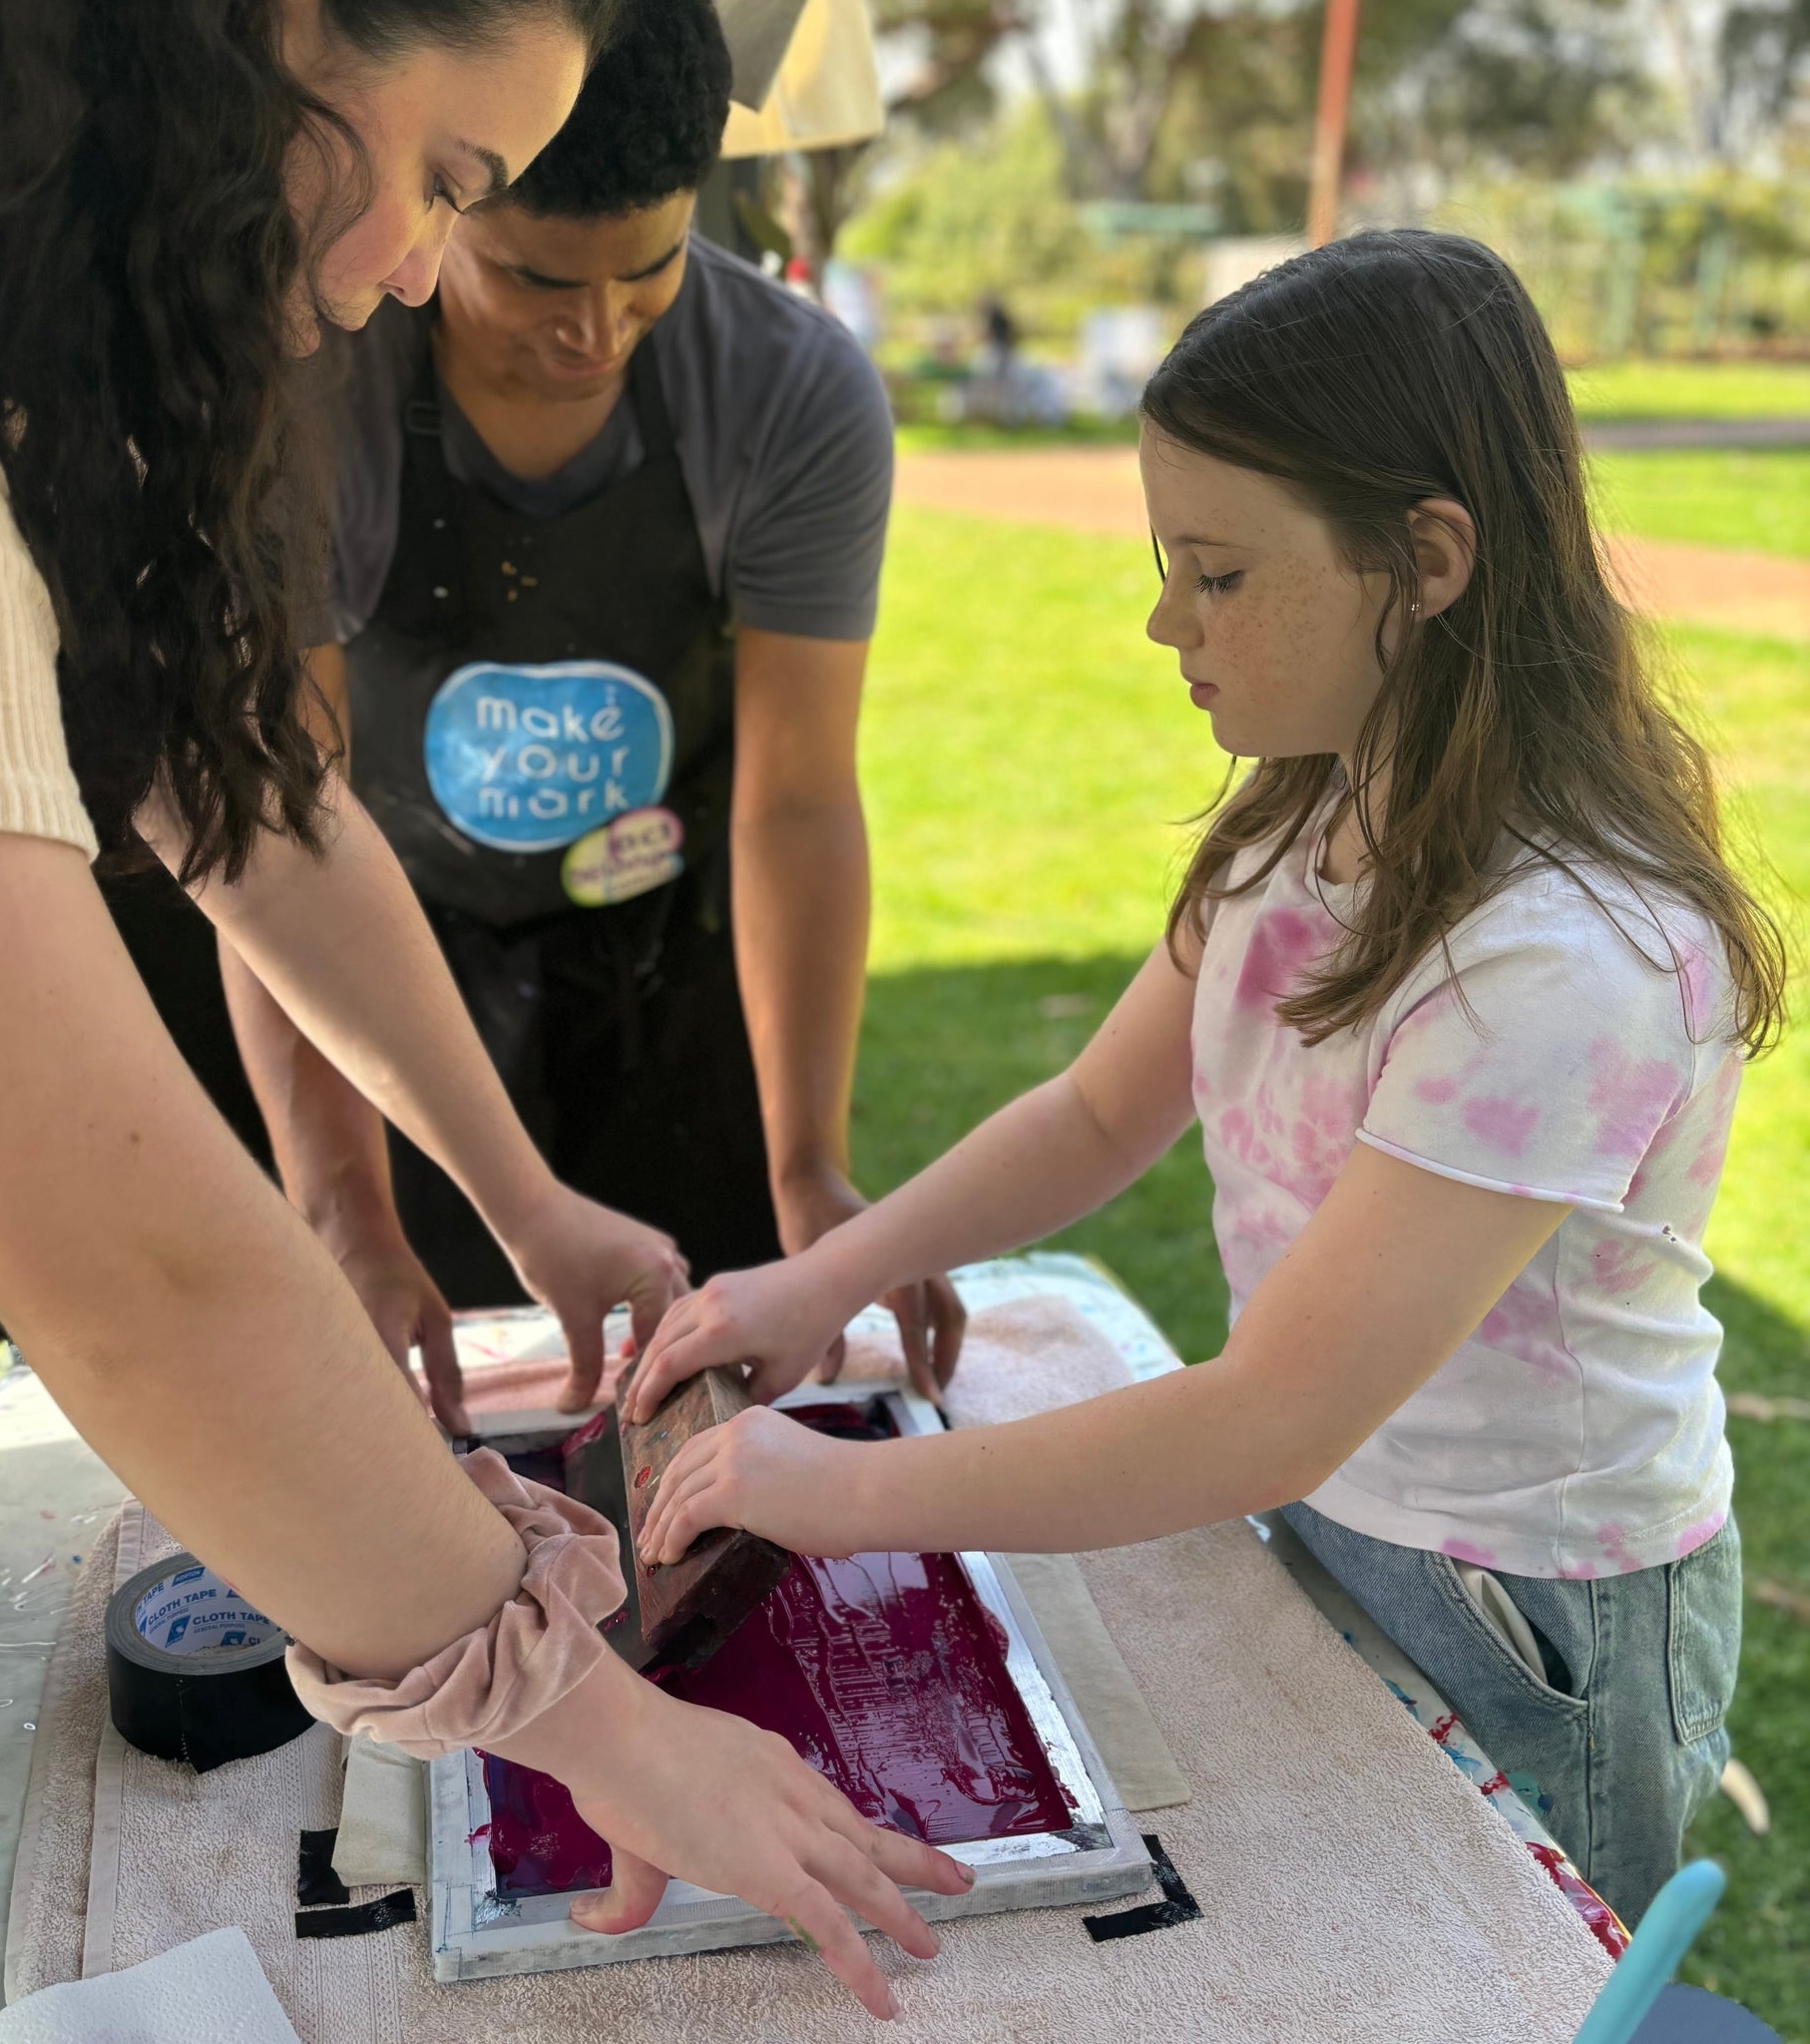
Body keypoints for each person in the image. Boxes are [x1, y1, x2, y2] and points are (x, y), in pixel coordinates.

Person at [0, 0, 968, 2009]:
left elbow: (250, 796)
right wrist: (589, 1713)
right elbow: (134, 1264)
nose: (414, 267)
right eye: (447, 182)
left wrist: (523, 1204)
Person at [621, 231, 1783, 1928]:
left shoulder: (1564, 961)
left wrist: (848, 1494)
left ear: (1430, 557)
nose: (1166, 620)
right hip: (1342, 1505)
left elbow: (1270, 1413)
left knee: (1498, 1967)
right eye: (1167, 560)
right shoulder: (1306, 811)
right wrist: (826, 1276)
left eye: (1220, 574)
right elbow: (1099, 1111)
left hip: (1532, 1606)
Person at [219, 0, 965, 1422]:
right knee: (431, 1410)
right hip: (389, 967)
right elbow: (278, 828)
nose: (595, 332)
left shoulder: (793, 395)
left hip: (670, 968)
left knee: (716, 1427)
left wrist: (808, 1165)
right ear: (450, 215)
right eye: (538, 281)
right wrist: (343, 1213)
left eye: (649, 272)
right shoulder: (313, 392)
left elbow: (799, 801)